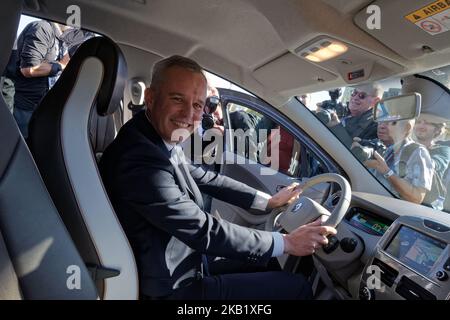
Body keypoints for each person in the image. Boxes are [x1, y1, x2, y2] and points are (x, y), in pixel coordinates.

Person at [99, 55, 337, 300]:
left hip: (180, 262)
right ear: (150, 98)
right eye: (177, 99)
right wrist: (287, 243)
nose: (188, 115)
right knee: (296, 287)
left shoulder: (150, 135)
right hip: (169, 289)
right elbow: (202, 230)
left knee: (269, 264)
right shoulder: (140, 159)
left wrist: (267, 201)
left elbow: (204, 178)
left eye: (198, 105)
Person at [6, 20, 70, 138]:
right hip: (25, 108)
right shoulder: (42, 28)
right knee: (23, 147)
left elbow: (67, 61)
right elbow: (30, 69)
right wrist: (59, 65)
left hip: (41, 107)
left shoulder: (61, 38)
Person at [403, 75, 450, 210]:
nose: (421, 125)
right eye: (418, 121)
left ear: (437, 129)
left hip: (425, 204)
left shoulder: (442, 150)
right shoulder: (405, 145)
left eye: (428, 123)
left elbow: (434, 166)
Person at [364, 118, 434, 205]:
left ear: (406, 128)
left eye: (390, 122)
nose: (381, 126)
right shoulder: (379, 146)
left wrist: (387, 172)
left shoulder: (417, 152)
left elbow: (417, 198)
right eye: (380, 121)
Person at [327, 83, 382, 148]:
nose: (355, 98)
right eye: (354, 93)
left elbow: (355, 151)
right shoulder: (342, 111)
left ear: (375, 101)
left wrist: (336, 126)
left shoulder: (375, 127)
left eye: (362, 95)